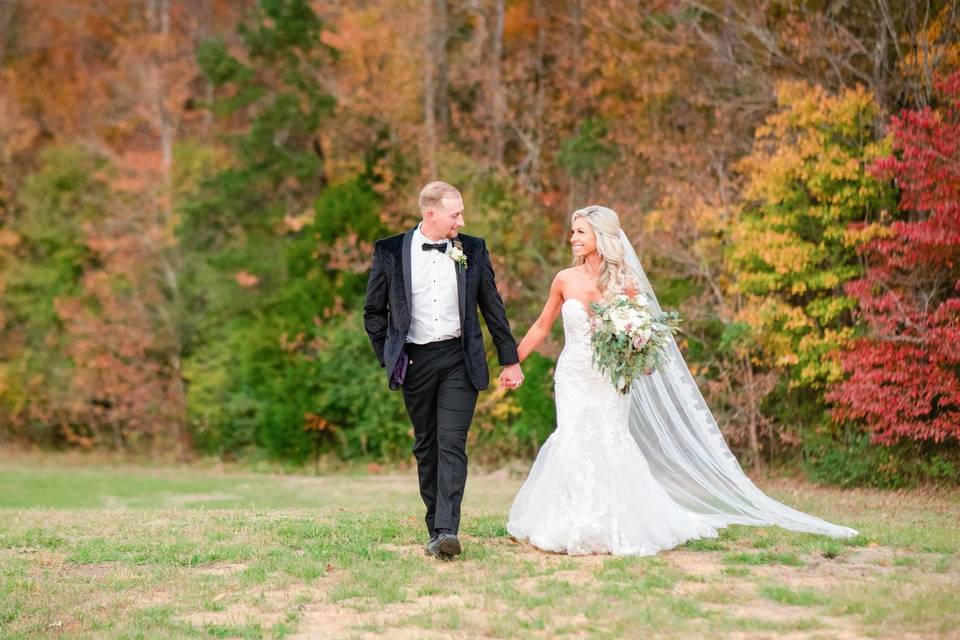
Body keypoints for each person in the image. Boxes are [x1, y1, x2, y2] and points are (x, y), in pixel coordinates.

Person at [505, 205, 858, 556]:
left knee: (610, 441)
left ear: (602, 236)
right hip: (574, 375)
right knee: (573, 438)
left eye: (580, 231)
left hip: (612, 379)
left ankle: (613, 522)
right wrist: (513, 362)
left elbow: (643, 331)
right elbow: (541, 326)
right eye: (573, 231)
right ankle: (570, 522)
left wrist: (638, 355)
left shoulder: (627, 282)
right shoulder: (564, 279)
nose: (573, 238)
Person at [363, 181, 523, 560]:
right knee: (426, 445)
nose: (461, 220)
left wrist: (509, 357)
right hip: (415, 361)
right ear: (430, 214)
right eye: (455, 214)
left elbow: (492, 307)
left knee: (452, 443)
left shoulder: (474, 249)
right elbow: (373, 311)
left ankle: (447, 530)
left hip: (458, 358)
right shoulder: (389, 251)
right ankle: (436, 525)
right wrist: (390, 355)